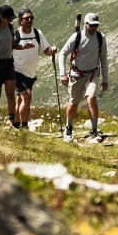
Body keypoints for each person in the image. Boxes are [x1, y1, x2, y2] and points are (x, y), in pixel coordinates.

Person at [60, 12, 109, 140]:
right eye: (91, 25)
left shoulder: (100, 37)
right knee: (73, 103)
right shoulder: (77, 36)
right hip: (76, 74)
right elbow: (63, 53)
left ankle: (94, 130)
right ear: (86, 24)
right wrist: (63, 74)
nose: (94, 28)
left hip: (92, 74)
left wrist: (105, 79)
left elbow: (103, 58)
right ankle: (69, 127)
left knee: (91, 98)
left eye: (96, 25)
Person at [10, 9, 53, 128]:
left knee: (21, 99)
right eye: (26, 18)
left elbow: (46, 50)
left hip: (31, 73)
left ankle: (15, 125)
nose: (29, 20)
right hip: (16, 71)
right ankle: (24, 126)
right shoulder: (15, 34)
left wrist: (53, 50)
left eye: (31, 18)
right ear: (20, 21)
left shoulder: (37, 33)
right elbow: (7, 51)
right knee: (27, 96)